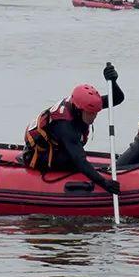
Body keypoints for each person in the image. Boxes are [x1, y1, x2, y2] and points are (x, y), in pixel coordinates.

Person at [21, 63, 123, 195]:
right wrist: (105, 183)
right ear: (79, 110)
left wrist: (113, 81)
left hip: (55, 146)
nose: (94, 116)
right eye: (91, 113)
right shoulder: (65, 126)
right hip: (38, 156)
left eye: (96, 112)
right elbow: (79, 160)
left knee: (78, 156)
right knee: (75, 161)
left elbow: (117, 99)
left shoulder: (83, 104)